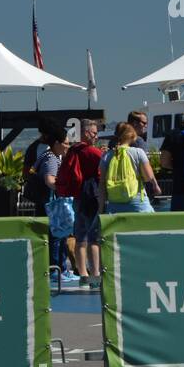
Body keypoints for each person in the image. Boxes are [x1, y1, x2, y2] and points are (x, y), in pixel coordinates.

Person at [57, 120, 104, 290]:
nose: (96, 136)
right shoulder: (92, 151)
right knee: (94, 238)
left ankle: (83, 274)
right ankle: (95, 275)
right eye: (93, 133)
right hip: (91, 196)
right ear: (85, 133)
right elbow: (103, 168)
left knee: (80, 238)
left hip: (77, 197)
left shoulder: (72, 150)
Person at [29, 129, 72, 285]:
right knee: (56, 236)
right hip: (52, 204)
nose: (68, 146)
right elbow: (49, 180)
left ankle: (60, 268)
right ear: (56, 143)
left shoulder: (49, 156)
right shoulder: (52, 159)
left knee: (58, 236)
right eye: (66, 143)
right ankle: (56, 270)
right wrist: (64, 190)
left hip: (48, 202)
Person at [99, 122, 160, 214]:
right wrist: (155, 185)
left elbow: (102, 184)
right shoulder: (138, 152)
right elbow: (148, 177)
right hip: (137, 202)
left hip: (114, 205)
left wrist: (101, 208)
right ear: (132, 136)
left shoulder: (107, 156)